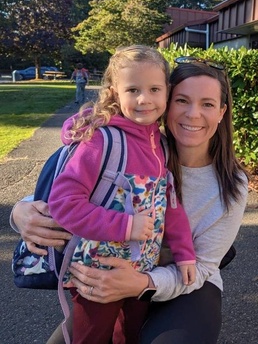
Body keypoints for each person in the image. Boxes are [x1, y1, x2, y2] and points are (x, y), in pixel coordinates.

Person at [11, 56, 249, 344]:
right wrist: (21, 211)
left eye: (208, 104)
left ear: (222, 111)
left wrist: (142, 284)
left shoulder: (231, 184)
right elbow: (72, 185)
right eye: (182, 100)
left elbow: (203, 267)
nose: (193, 114)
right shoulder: (135, 146)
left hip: (184, 284)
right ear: (167, 102)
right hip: (109, 271)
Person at [49, 45, 196, 343]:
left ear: (166, 91)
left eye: (154, 89)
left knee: (129, 336)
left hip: (141, 272)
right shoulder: (101, 141)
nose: (144, 99)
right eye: (133, 90)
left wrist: (185, 255)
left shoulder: (163, 145)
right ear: (115, 92)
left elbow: (172, 206)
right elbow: (63, 204)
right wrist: (126, 226)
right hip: (95, 277)